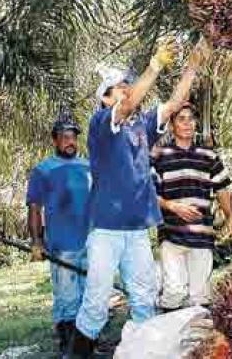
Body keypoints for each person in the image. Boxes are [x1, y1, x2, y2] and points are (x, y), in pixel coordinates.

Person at [70, 38, 211, 357]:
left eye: (126, 85)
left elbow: (175, 103)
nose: (124, 90)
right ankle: (77, 353)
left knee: (145, 298)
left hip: (136, 230)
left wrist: (193, 65)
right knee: (96, 300)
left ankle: (144, 351)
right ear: (105, 100)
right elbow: (130, 103)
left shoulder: (143, 126)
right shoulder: (101, 125)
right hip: (105, 230)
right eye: (117, 88)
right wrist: (155, 65)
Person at [152, 102, 232, 312]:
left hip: (202, 236)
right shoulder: (160, 157)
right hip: (171, 235)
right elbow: (147, 193)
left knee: (199, 295)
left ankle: (195, 342)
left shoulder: (208, 156)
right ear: (172, 125)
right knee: (174, 292)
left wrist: (230, 216)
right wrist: (171, 206)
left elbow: (222, 188)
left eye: (191, 118)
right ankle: (169, 340)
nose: (188, 123)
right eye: (181, 119)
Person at [26, 112, 91, 353]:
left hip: (91, 243)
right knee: (67, 298)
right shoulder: (43, 170)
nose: (69, 141)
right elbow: (34, 207)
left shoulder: (88, 166)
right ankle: (68, 346)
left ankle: (87, 345)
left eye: (73, 136)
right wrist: (36, 242)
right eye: (64, 137)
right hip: (62, 245)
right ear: (54, 141)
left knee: (89, 296)